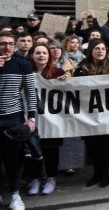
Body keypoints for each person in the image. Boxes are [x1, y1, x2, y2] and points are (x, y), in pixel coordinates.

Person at [0, 31, 39, 210]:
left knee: (14, 160)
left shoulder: (22, 64)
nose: (7, 47)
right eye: (2, 43)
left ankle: (15, 195)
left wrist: (32, 118)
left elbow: (30, 93)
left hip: (13, 120)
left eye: (10, 43)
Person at [73, 39, 109, 188]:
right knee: (92, 146)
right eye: (97, 49)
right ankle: (96, 173)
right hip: (88, 114)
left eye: (103, 49)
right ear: (91, 50)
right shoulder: (81, 68)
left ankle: (105, 173)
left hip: (107, 114)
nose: (100, 51)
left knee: (105, 145)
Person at [26, 44, 67, 196]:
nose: (41, 55)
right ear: (32, 55)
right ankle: (35, 179)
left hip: (52, 120)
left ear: (49, 56)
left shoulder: (57, 72)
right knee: (32, 150)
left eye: (44, 53)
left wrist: (65, 82)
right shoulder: (26, 72)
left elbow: (66, 94)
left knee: (51, 149)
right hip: (31, 119)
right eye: (38, 53)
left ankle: (51, 178)